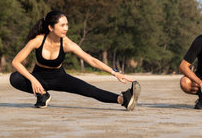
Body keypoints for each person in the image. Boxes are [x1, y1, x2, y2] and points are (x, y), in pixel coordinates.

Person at [10, 10, 140, 111]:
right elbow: (16, 62)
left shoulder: (67, 43)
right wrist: (33, 79)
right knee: (15, 78)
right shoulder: (38, 40)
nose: (66, 28)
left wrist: (114, 72)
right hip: (39, 77)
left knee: (89, 90)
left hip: (60, 78)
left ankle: (123, 99)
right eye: (62, 25)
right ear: (51, 27)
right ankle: (42, 95)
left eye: (67, 24)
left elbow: (91, 60)